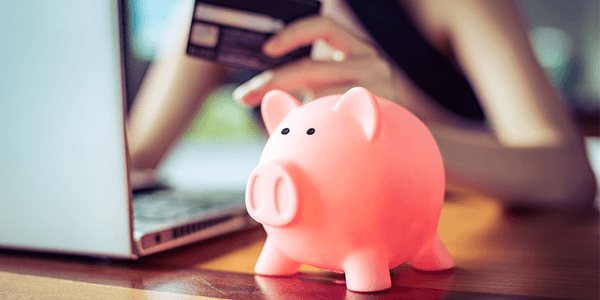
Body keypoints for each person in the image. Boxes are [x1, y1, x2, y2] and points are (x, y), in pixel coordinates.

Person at [127, 0, 597, 209]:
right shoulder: (215, 13)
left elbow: (569, 175)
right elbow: (133, 159)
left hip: (466, 234)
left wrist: (399, 134)